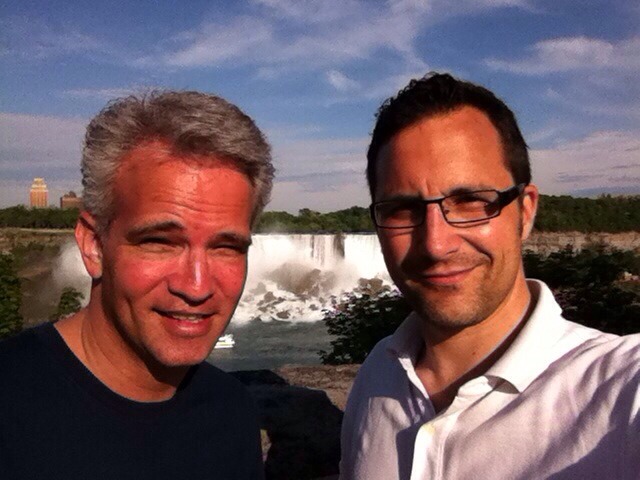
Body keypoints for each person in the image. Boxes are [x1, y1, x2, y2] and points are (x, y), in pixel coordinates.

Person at [340, 73, 640, 479]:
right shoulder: (378, 374)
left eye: (471, 201)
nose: (436, 245)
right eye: (402, 210)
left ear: (525, 212)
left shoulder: (619, 390)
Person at [0, 91, 275, 479]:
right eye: (160, 242)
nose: (196, 287)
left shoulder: (231, 412)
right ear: (94, 244)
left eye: (226, 247)